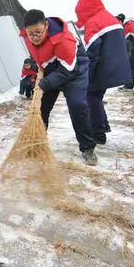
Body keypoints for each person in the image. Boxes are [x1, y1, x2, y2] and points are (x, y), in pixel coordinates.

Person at [20, 9, 98, 165]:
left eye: (38, 32)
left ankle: (88, 148)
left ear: (46, 26)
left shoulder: (64, 39)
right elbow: (39, 56)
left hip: (73, 71)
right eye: (31, 34)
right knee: (40, 106)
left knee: (77, 105)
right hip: (51, 70)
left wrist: (45, 84)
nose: (35, 37)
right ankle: (38, 141)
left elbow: (68, 69)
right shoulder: (27, 37)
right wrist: (40, 71)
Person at [75, 0, 132, 145]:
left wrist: (86, 75)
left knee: (90, 96)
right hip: (114, 65)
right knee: (96, 97)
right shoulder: (109, 17)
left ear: (84, 10)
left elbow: (92, 53)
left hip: (104, 68)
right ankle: (102, 126)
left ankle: (98, 134)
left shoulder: (94, 22)